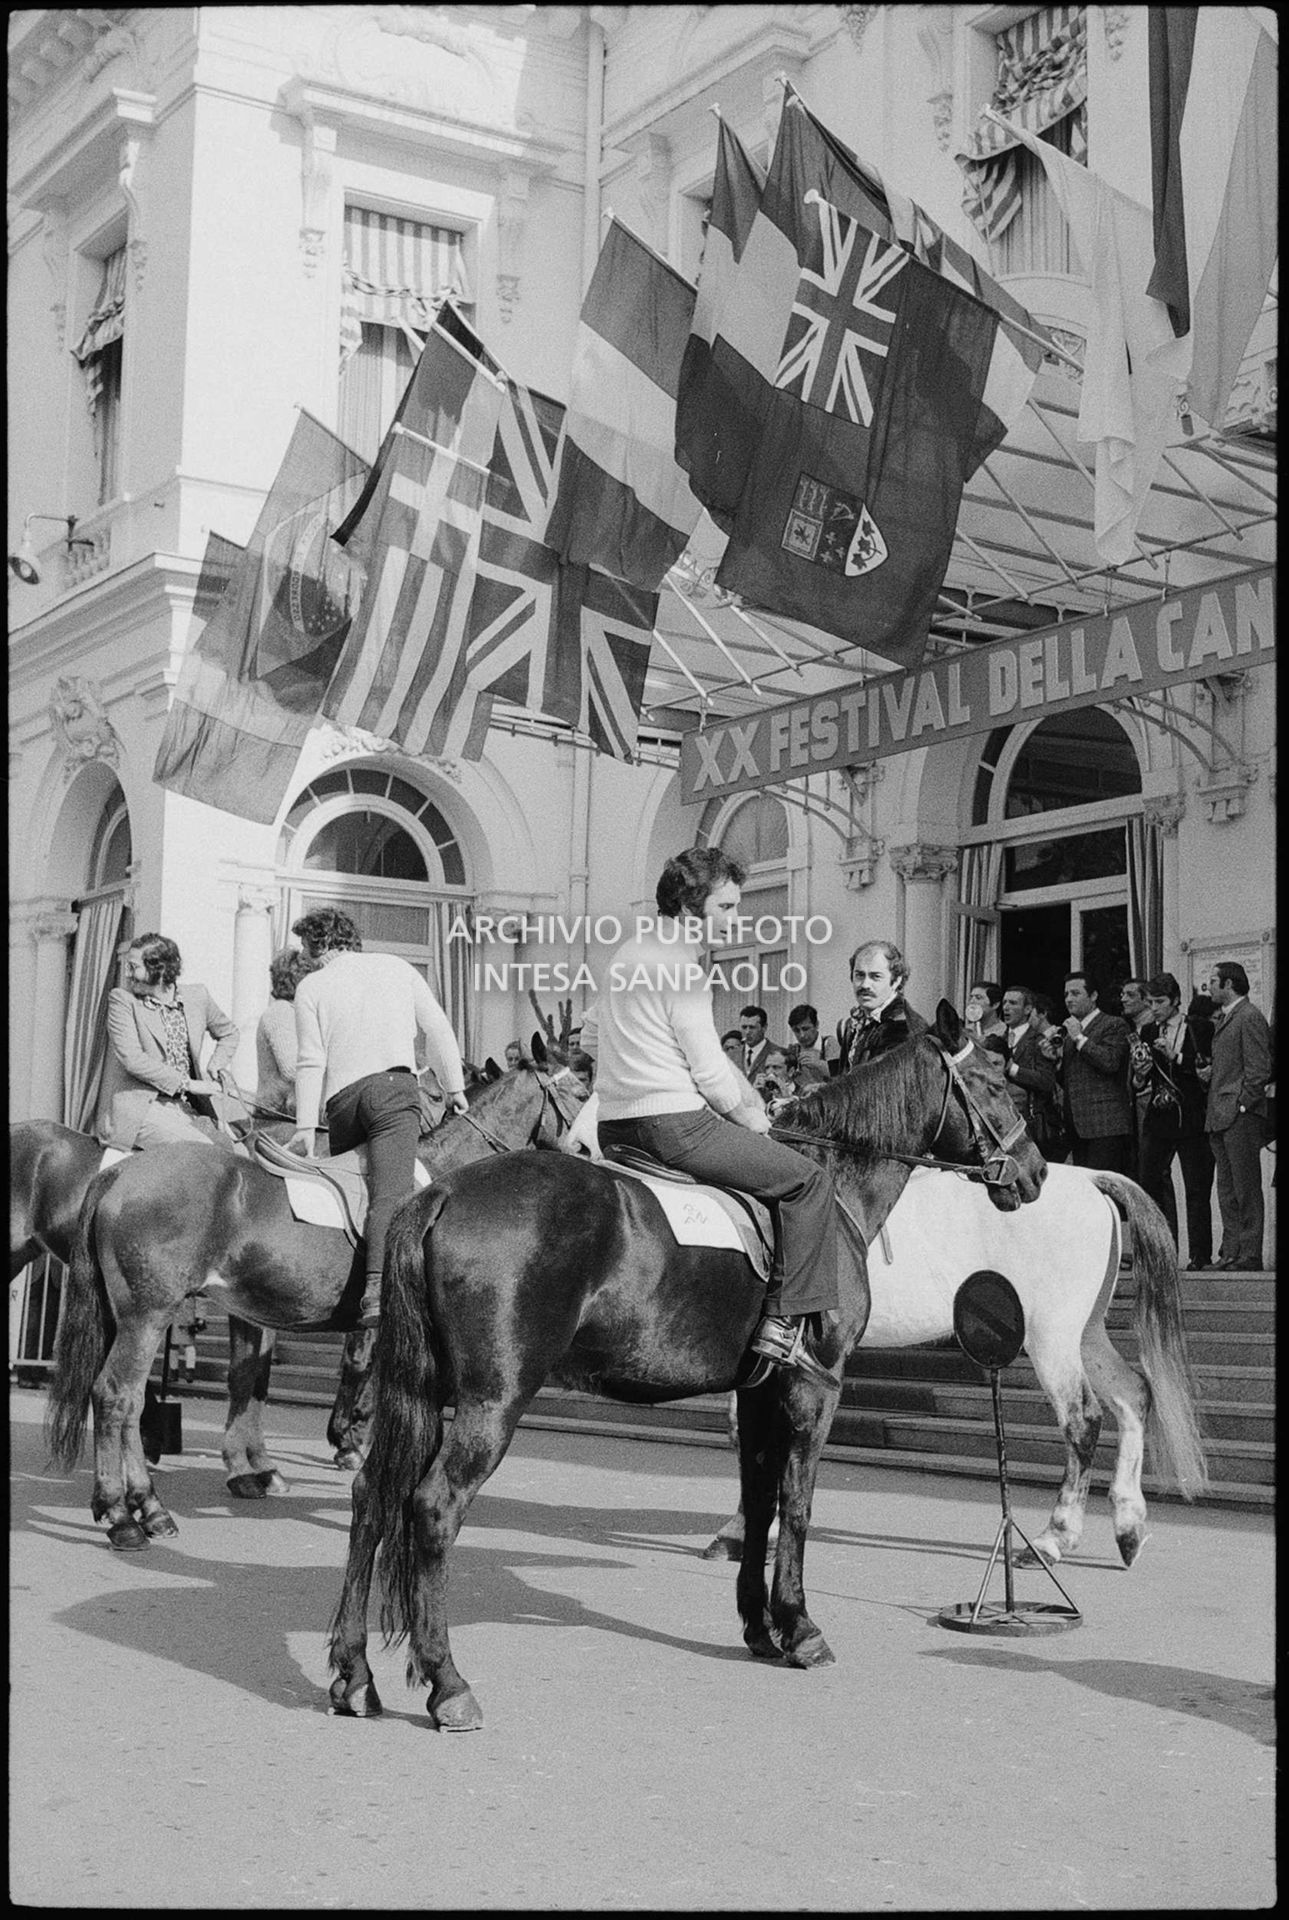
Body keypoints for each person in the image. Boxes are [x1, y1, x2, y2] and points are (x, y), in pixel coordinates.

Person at [595, 846, 840, 1384]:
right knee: (808, 1182)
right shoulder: (682, 968)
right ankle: (786, 1325)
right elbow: (709, 1073)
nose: (736, 918)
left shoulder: (627, 954)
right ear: (689, 909)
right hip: (676, 1126)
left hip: (615, 1127)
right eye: (726, 907)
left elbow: (594, 1038)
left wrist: (748, 1099)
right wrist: (754, 1121)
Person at [287, 908, 469, 1328]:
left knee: (354, 1192)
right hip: (392, 1091)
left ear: (320, 944)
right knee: (391, 1194)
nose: (305, 958)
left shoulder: (310, 987)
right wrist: (454, 1087)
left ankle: (343, 1284)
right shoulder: (397, 967)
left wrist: (304, 1128)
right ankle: (377, 1292)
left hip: (343, 1101)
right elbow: (438, 1028)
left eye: (306, 948)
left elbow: (310, 1060)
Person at [95, 932, 239, 1149]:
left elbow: (229, 1033)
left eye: (133, 967)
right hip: (142, 1110)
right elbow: (133, 1059)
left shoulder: (198, 996)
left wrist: (216, 1066)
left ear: (159, 969)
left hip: (187, 1107)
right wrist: (189, 1084)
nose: (127, 974)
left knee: (234, 1152)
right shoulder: (122, 1000)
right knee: (203, 1150)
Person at [1133, 972, 1214, 1267]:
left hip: (1192, 1116)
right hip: (1159, 1116)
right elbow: (1140, 1081)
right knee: (1150, 1183)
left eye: (1160, 1002)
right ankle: (1162, 1254)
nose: (1154, 1008)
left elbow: (1207, 1068)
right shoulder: (1147, 1031)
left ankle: (1200, 1255)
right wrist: (1139, 1073)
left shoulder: (1199, 1027)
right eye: (1150, 1003)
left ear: (1176, 1000)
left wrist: (1175, 1056)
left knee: (1196, 1187)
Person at [1202, 961, 1271, 1271]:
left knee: (1245, 1187)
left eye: (1213, 981)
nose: (1209, 987)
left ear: (1229, 984)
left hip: (1239, 1116)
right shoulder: (1229, 1017)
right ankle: (1231, 1252)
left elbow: (1259, 1069)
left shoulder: (1249, 1016)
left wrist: (1243, 1105)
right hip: (1221, 1114)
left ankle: (1249, 1253)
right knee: (1227, 1188)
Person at [1057, 969, 1133, 1173]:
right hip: (1077, 1126)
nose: (1069, 999)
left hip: (1105, 1124)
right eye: (1066, 994)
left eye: (1075, 993)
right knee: (1084, 1186)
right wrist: (1055, 1061)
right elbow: (1070, 1079)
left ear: (1093, 996)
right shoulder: (1071, 1033)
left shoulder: (1114, 1024)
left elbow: (1110, 1062)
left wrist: (1079, 1038)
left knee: (1103, 1185)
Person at [834, 940, 927, 1074]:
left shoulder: (903, 1027)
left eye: (875, 976)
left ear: (896, 980)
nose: (865, 985)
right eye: (859, 975)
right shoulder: (855, 1021)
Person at [998, 985, 1062, 1157]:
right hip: (1002, 1123)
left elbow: (1046, 1082)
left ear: (1027, 1009)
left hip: (1031, 1125)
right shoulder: (998, 1040)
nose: (1006, 1008)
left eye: (1013, 1003)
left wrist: (1013, 1069)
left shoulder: (1039, 1040)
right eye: (1004, 1002)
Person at [255, 948, 309, 1118]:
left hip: (289, 1111)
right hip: (277, 1114)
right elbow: (291, 1068)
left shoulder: (295, 1011)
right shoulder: (281, 1013)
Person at [786, 1004, 837, 1089]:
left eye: (805, 1029)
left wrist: (818, 1063)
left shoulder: (829, 1043)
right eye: (796, 1030)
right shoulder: (794, 1050)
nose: (802, 1035)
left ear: (816, 1025)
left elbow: (840, 1077)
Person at [965, 980, 1008, 1055]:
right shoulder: (966, 1031)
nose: (972, 1001)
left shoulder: (1005, 1033)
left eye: (978, 998)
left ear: (995, 1005)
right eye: (971, 997)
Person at [738, 1005, 778, 1079]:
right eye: (744, 1027)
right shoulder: (732, 1055)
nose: (747, 1032)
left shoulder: (778, 1054)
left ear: (764, 1028)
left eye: (752, 1027)